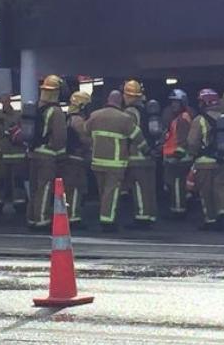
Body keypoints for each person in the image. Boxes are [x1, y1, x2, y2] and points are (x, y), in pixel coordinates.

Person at [86, 90, 147, 231]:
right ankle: (108, 221)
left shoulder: (95, 116)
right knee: (111, 192)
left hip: (97, 162)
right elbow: (137, 136)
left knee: (103, 192)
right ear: (120, 101)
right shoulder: (124, 118)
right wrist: (146, 149)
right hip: (116, 163)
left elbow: (85, 130)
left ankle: (104, 214)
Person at [188, 88, 224, 231]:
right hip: (223, 161)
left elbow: (192, 142)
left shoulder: (199, 120)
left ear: (204, 103)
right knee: (222, 189)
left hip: (204, 163)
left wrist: (192, 155)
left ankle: (210, 220)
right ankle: (223, 213)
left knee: (205, 192)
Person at [27, 75, 67, 230]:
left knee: (34, 188)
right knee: (45, 187)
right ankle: (42, 219)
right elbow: (60, 137)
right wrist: (60, 154)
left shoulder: (37, 107)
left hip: (33, 153)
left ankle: (31, 217)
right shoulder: (56, 111)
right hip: (47, 155)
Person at [122, 79, 157, 227]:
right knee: (149, 188)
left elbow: (131, 133)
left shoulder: (130, 112)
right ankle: (150, 215)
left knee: (138, 188)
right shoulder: (146, 110)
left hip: (137, 156)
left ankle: (142, 217)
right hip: (149, 157)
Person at [62, 91, 93, 228]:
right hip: (76, 159)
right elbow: (86, 139)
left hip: (69, 158)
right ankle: (73, 217)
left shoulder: (68, 118)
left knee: (70, 188)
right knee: (75, 189)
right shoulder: (78, 121)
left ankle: (71, 214)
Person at [162, 89, 193, 217]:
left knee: (176, 186)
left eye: (176, 102)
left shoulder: (183, 118)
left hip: (179, 159)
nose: (173, 105)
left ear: (183, 103)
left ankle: (179, 211)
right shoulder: (177, 118)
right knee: (174, 185)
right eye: (172, 102)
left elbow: (183, 139)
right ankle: (181, 204)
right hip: (173, 158)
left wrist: (177, 155)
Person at [0, 96, 28, 218]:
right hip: (4, 155)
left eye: (6, 101)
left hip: (16, 155)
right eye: (3, 102)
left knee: (18, 181)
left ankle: (19, 204)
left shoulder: (17, 116)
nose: (5, 104)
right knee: (0, 181)